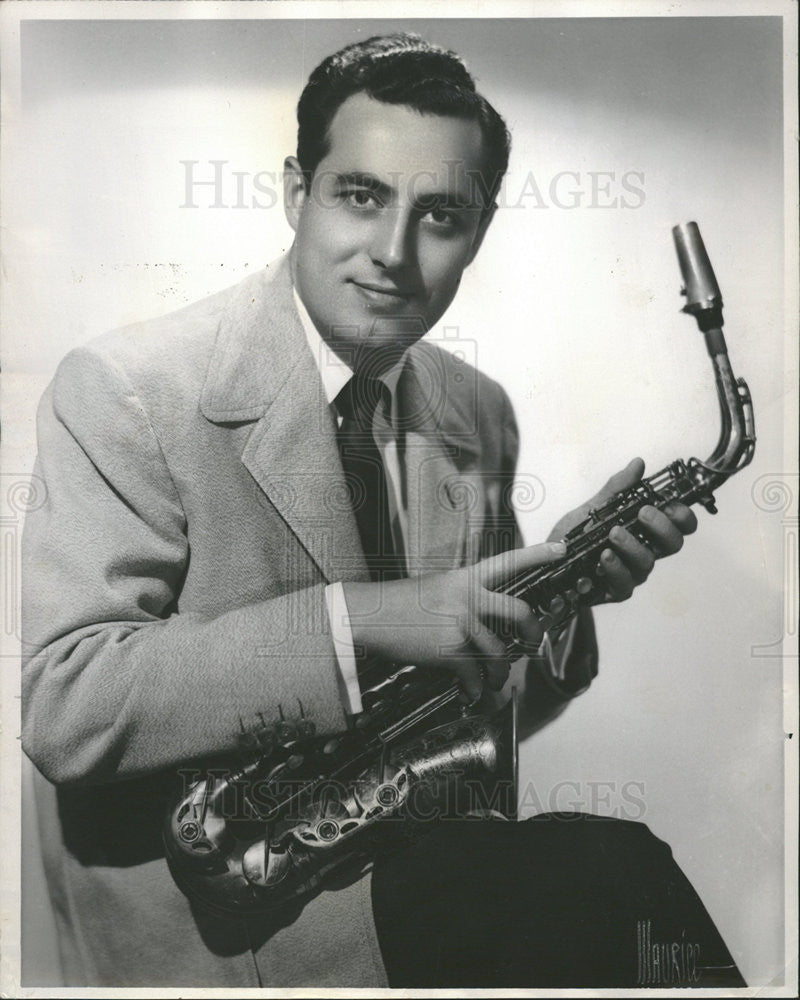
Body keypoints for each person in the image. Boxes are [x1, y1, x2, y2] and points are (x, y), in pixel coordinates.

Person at [21, 33, 743, 988]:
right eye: (361, 196)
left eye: (441, 214)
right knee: (614, 876)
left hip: (415, 875)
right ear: (295, 192)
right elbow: (66, 706)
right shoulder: (125, 390)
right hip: (236, 930)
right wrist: (377, 622)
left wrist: (565, 590)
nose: (395, 254)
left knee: (611, 885)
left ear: (481, 232)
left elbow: (468, 712)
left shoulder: (477, 411)